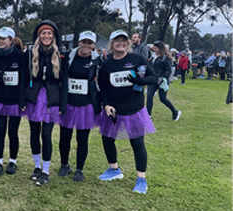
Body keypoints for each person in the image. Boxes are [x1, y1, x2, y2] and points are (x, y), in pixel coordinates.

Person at [97, 30, 157, 194]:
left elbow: (153, 78)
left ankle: (141, 179)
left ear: (128, 43)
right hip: (114, 109)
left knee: (137, 143)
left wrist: (140, 80)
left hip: (134, 109)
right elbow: (103, 87)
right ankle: (114, 169)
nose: (121, 43)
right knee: (107, 139)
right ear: (111, 44)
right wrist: (106, 105)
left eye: (124, 40)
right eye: (117, 40)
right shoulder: (107, 63)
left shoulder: (137, 59)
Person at [24, 20, 68, 186]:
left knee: (46, 134)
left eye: (49, 33)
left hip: (51, 99)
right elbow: (24, 77)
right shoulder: (30, 53)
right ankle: (36, 166)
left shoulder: (61, 54)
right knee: (34, 133)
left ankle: (46, 170)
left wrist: (63, 105)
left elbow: (65, 81)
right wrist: (23, 99)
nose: (46, 36)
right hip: (34, 97)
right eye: (43, 33)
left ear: (54, 36)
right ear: (39, 36)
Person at [58, 31, 102, 182]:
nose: (86, 46)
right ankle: (64, 165)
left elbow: (100, 81)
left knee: (82, 139)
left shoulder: (97, 60)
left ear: (93, 45)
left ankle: (79, 169)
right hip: (69, 102)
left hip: (86, 104)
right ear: (79, 42)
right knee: (64, 136)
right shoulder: (68, 57)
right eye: (84, 42)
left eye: (90, 43)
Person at [0, 27, 25, 176]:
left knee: (13, 132)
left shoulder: (20, 56)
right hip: (0, 99)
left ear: (11, 40)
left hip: (15, 101)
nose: (0, 41)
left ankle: (12, 162)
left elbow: (23, 80)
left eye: (3, 38)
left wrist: (23, 101)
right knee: (0, 131)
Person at [146, 41, 181, 120]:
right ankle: (148, 115)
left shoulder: (165, 58)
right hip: (153, 80)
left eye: (156, 48)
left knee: (162, 99)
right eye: (153, 48)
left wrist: (164, 78)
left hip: (162, 81)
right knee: (149, 96)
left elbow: (168, 70)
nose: (154, 49)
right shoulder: (153, 56)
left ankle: (175, 112)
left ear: (160, 48)